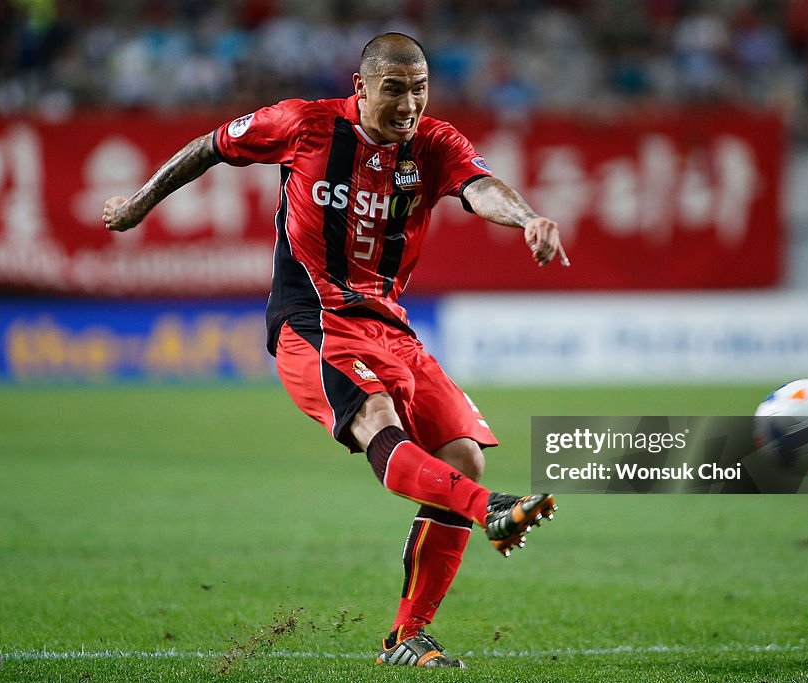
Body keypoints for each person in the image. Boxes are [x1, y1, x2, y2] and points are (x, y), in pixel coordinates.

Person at [102, 32, 569, 669]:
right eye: (395, 89)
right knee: (380, 425)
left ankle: (408, 636)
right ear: (361, 86)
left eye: (421, 89)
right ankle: (490, 512)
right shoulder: (304, 125)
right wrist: (137, 204)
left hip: (390, 326)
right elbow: (210, 146)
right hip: (313, 322)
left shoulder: (434, 143)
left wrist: (528, 219)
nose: (410, 104)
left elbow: (480, 186)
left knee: (463, 455)